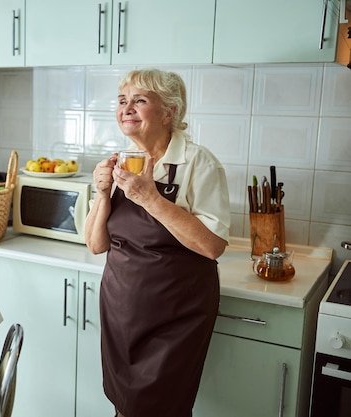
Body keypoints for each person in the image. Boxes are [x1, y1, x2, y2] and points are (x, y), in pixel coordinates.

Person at [85, 68, 230, 417]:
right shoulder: (122, 162)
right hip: (122, 308)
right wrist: (104, 195)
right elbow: (95, 245)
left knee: (162, 407)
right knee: (124, 405)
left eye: (140, 100)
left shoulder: (199, 162)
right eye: (122, 101)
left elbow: (212, 246)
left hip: (175, 315)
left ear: (169, 112)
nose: (126, 108)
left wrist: (150, 199)